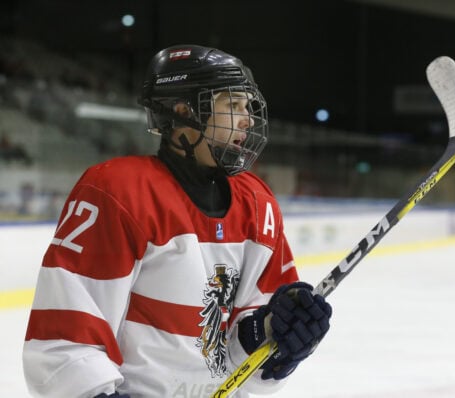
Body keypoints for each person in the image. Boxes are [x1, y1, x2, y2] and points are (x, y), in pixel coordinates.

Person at [23, 45, 333, 398]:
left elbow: (240, 360)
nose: (247, 118)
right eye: (232, 105)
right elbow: (65, 333)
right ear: (184, 111)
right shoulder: (120, 192)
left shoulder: (257, 203)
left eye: (247, 106)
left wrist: (273, 335)